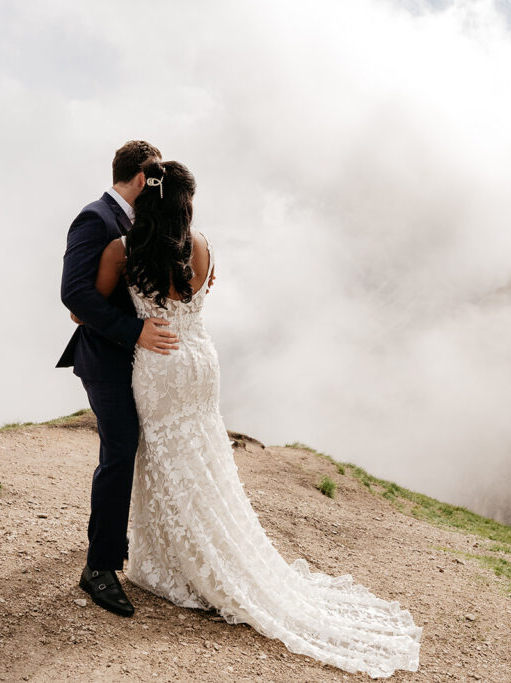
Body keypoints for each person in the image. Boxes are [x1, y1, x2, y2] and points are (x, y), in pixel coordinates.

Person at [91, 159, 422, 678]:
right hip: (202, 360)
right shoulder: (203, 246)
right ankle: (215, 548)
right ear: (186, 203)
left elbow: (83, 307)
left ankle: (181, 562)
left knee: (164, 458)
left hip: (160, 361)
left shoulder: (123, 251)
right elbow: (202, 292)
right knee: (203, 456)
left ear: (144, 199)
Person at [57, 141, 179, 618]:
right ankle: (100, 567)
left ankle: (110, 538)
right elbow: (74, 297)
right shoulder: (95, 218)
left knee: (130, 448)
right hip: (105, 360)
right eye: (157, 176)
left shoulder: (134, 223)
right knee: (120, 450)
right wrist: (135, 332)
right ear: (141, 174)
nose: (160, 184)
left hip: (135, 361)